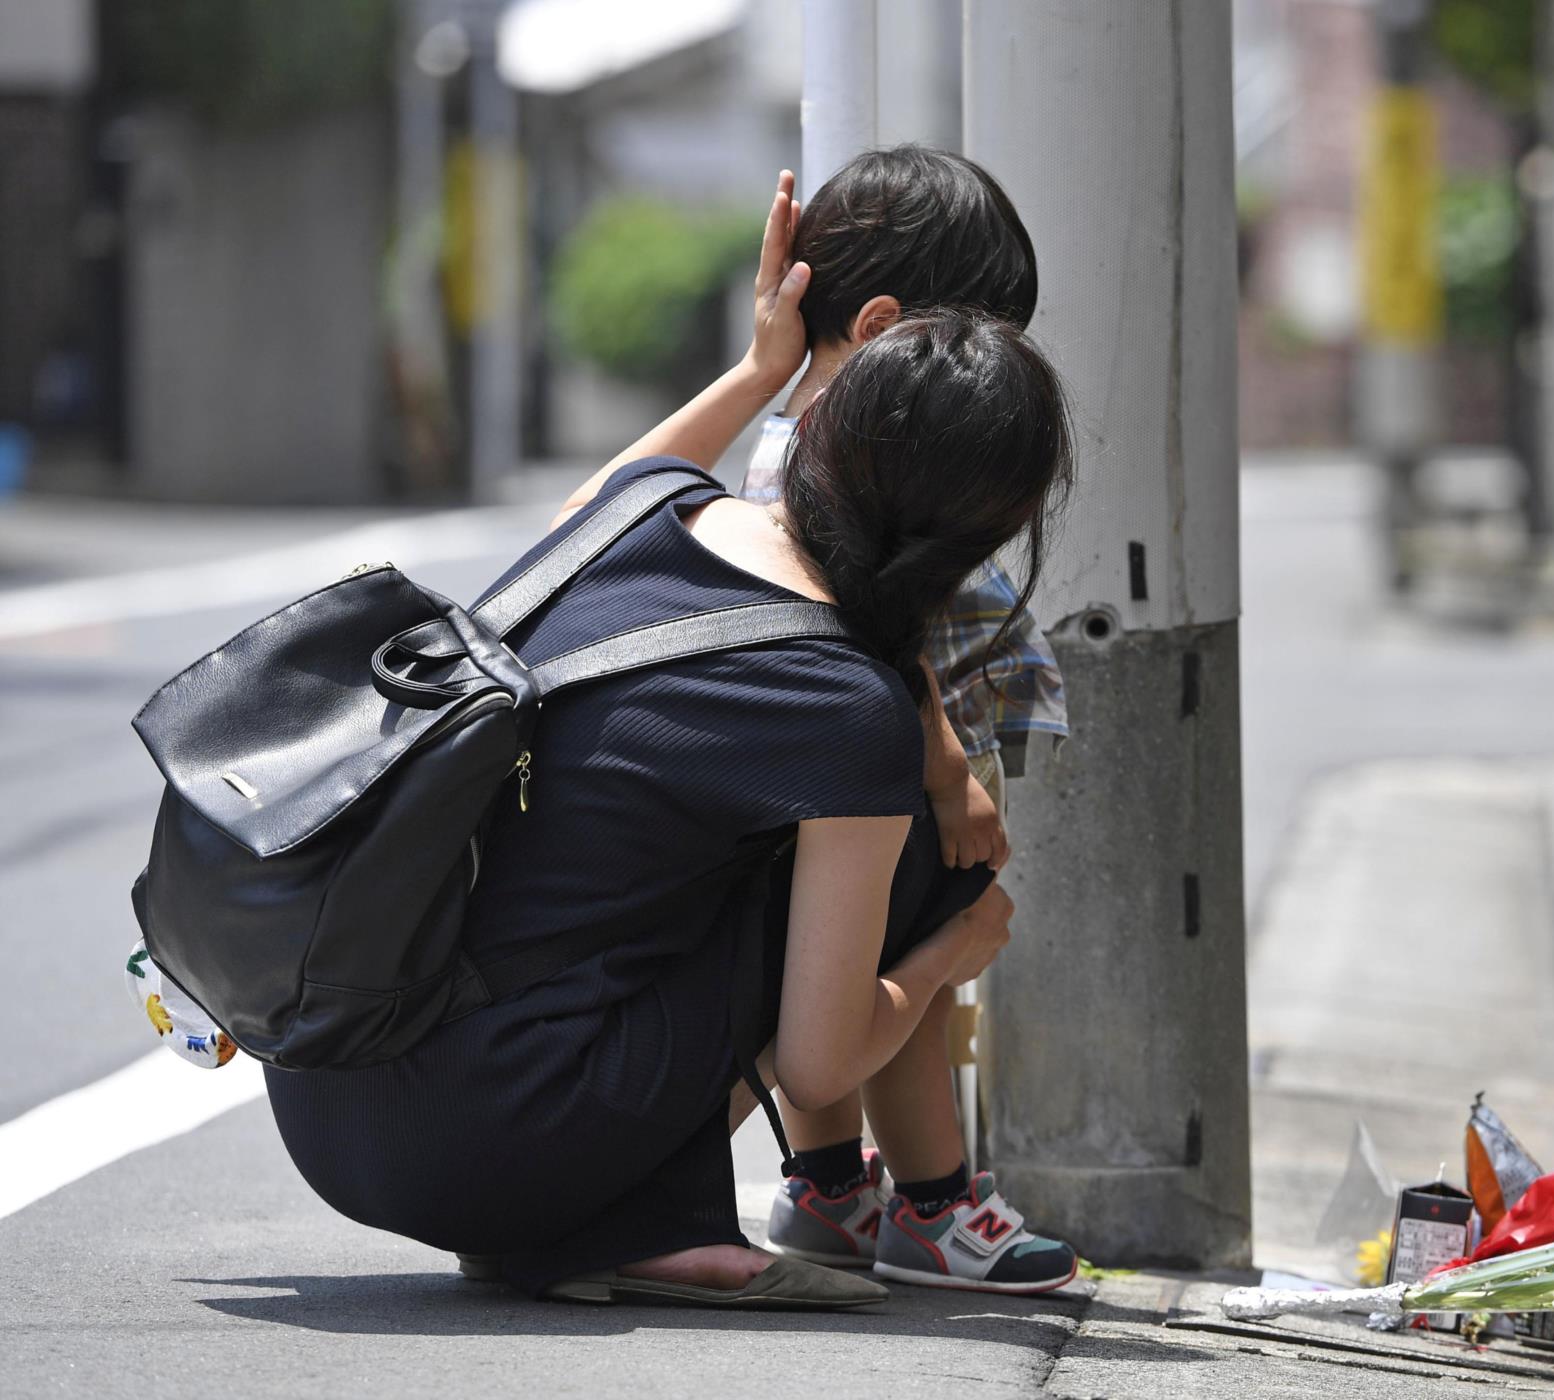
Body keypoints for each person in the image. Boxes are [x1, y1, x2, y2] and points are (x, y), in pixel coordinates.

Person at [263, 174, 1077, 1306]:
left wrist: (758, 367)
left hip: (328, 1083)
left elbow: (569, 525)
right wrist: (957, 943)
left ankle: (643, 1211)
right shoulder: (849, 703)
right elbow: (818, 1059)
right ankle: (651, 1217)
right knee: (929, 870)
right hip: (487, 1144)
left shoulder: (647, 507)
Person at [726, 147, 1069, 1275]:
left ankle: (829, 1189)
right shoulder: (843, 455)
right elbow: (877, 636)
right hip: (888, 756)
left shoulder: (784, 436)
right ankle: (935, 1203)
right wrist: (944, 772)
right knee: (909, 960)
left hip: (820, 764)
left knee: (827, 966)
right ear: (881, 328)